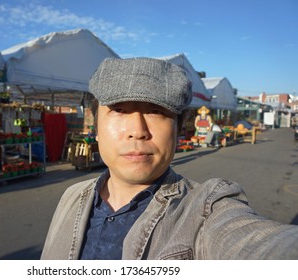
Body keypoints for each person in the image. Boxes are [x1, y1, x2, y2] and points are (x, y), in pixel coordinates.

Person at [41, 57, 298, 260]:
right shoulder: (72, 197)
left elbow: (257, 244)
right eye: (119, 110)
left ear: (179, 130)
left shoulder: (205, 211)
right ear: (95, 127)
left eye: (156, 112)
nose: (138, 130)